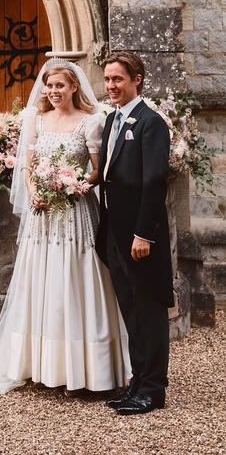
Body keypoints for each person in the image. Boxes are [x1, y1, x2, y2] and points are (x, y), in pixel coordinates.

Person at [0, 59, 129, 394]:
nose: (54, 92)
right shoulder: (35, 118)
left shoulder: (91, 122)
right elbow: (27, 168)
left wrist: (72, 186)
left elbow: (97, 170)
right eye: (49, 86)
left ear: (74, 87)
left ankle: (87, 368)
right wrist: (37, 192)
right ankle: (41, 364)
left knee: (77, 280)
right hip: (43, 217)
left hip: (75, 213)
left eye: (60, 86)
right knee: (43, 280)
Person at [96, 51, 173, 416]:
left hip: (141, 239)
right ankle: (136, 384)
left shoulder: (151, 122)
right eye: (108, 79)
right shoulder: (112, 120)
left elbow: (155, 182)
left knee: (149, 311)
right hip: (115, 233)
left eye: (118, 80)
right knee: (131, 311)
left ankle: (153, 391)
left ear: (136, 79)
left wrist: (144, 233)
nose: (111, 86)